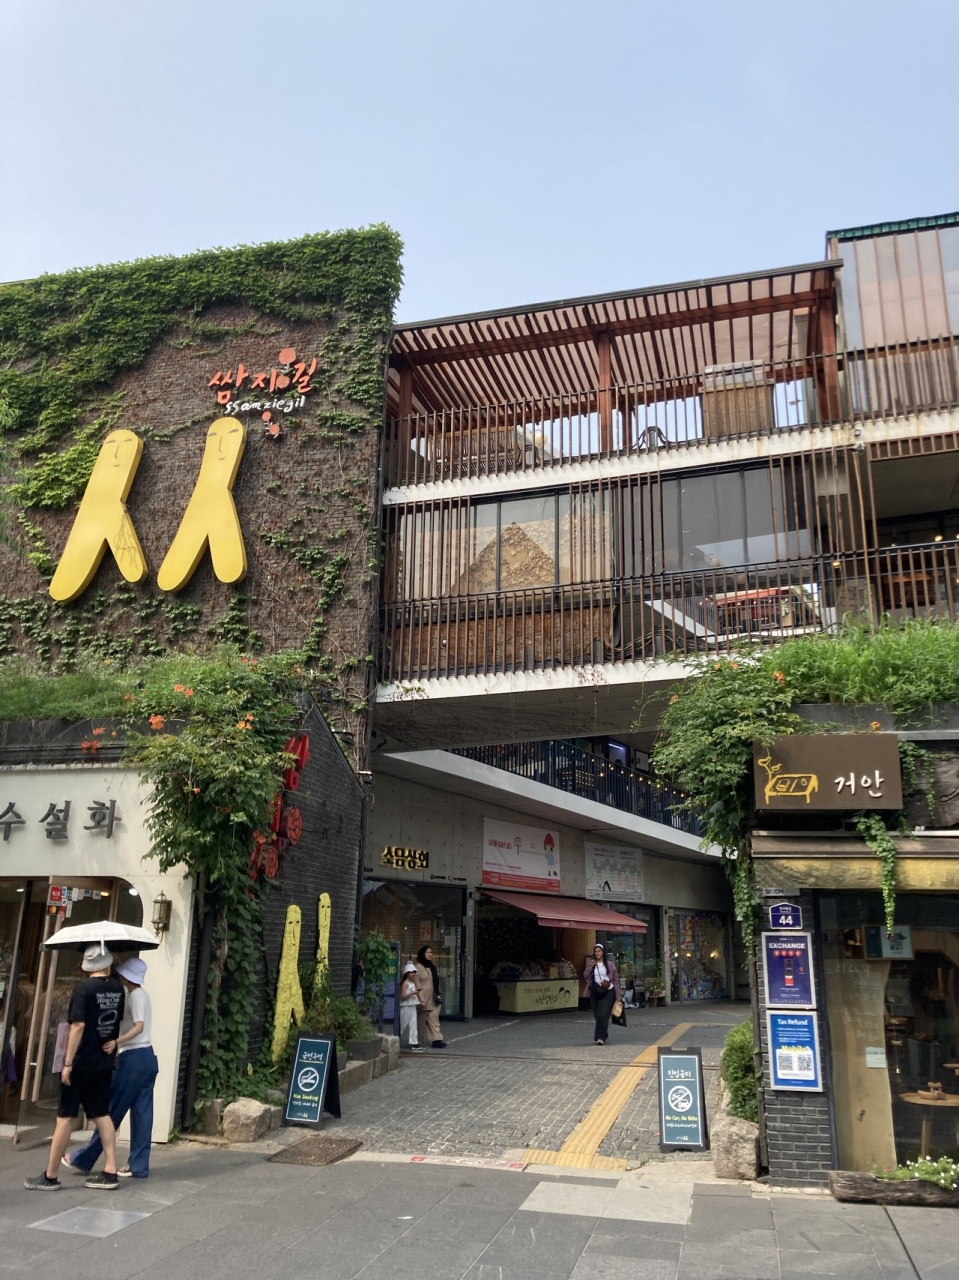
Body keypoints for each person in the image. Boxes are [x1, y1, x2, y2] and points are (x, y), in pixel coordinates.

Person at [25, 943, 124, 1191]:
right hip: (103, 1059)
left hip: (81, 1060)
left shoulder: (83, 988)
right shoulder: (117, 988)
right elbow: (117, 1021)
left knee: (65, 1116)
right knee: (101, 1113)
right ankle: (110, 1169)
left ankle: (50, 1175)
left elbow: (77, 1025)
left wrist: (67, 1062)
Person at [62, 957, 158, 1179]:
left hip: (133, 1057)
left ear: (127, 977)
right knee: (143, 1113)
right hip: (147, 1057)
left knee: (112, 1110)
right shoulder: (141, 995)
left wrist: (117, 1041)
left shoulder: (135, 996)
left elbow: (139, 1027)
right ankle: (138, 1165)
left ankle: (83, 1158)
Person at [583, 943, 622, 1046]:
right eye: (595, 951)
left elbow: (615, 980)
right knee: (597, 1015)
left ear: (603, 952)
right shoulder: (592, 964)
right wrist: (590, 968)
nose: (597, 953)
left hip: (608, 991)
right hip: (595, 991)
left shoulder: (610, 964)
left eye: (599, 951)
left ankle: (600, 1038)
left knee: (603, 1013)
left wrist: (618, 995)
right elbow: (585, 976)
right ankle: (604, 1033)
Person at [414, 945, 447, 1049]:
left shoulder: (432, 967)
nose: (430, 954)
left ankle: (437, 1040)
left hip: (433, 998)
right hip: (423, 999)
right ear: (422, 954)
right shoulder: (418, 968)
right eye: (427, 952)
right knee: (420, 1022)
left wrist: (438, 994)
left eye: (431, 952)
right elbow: (417, 984)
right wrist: (421, 999)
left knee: (434, 1020)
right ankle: (416, 1041)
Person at [399, 961, 423, 1052]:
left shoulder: (412, 982)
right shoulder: (405, 983)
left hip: (412, 1005)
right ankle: (396, 1037)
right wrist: (412, 993)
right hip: (406, 1006)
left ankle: (414, 1042)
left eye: (414, 972)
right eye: (412, 972)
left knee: (413, 1024)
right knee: (403, 1023)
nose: (413, 974)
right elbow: (403, 996)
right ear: (407, 973)